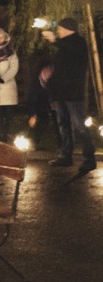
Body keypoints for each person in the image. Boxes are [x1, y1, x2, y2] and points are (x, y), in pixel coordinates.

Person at [45, 18, 97, 173]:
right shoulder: (65, 46)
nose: (58, 31)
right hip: (61, 93)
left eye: (60, 28)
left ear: (68, 29)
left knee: (80, 126)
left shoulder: (78, 43)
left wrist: (54, 40)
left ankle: (89, 158)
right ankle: (65, 156)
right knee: (64, 125)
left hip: (73, 93)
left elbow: (70, 51)